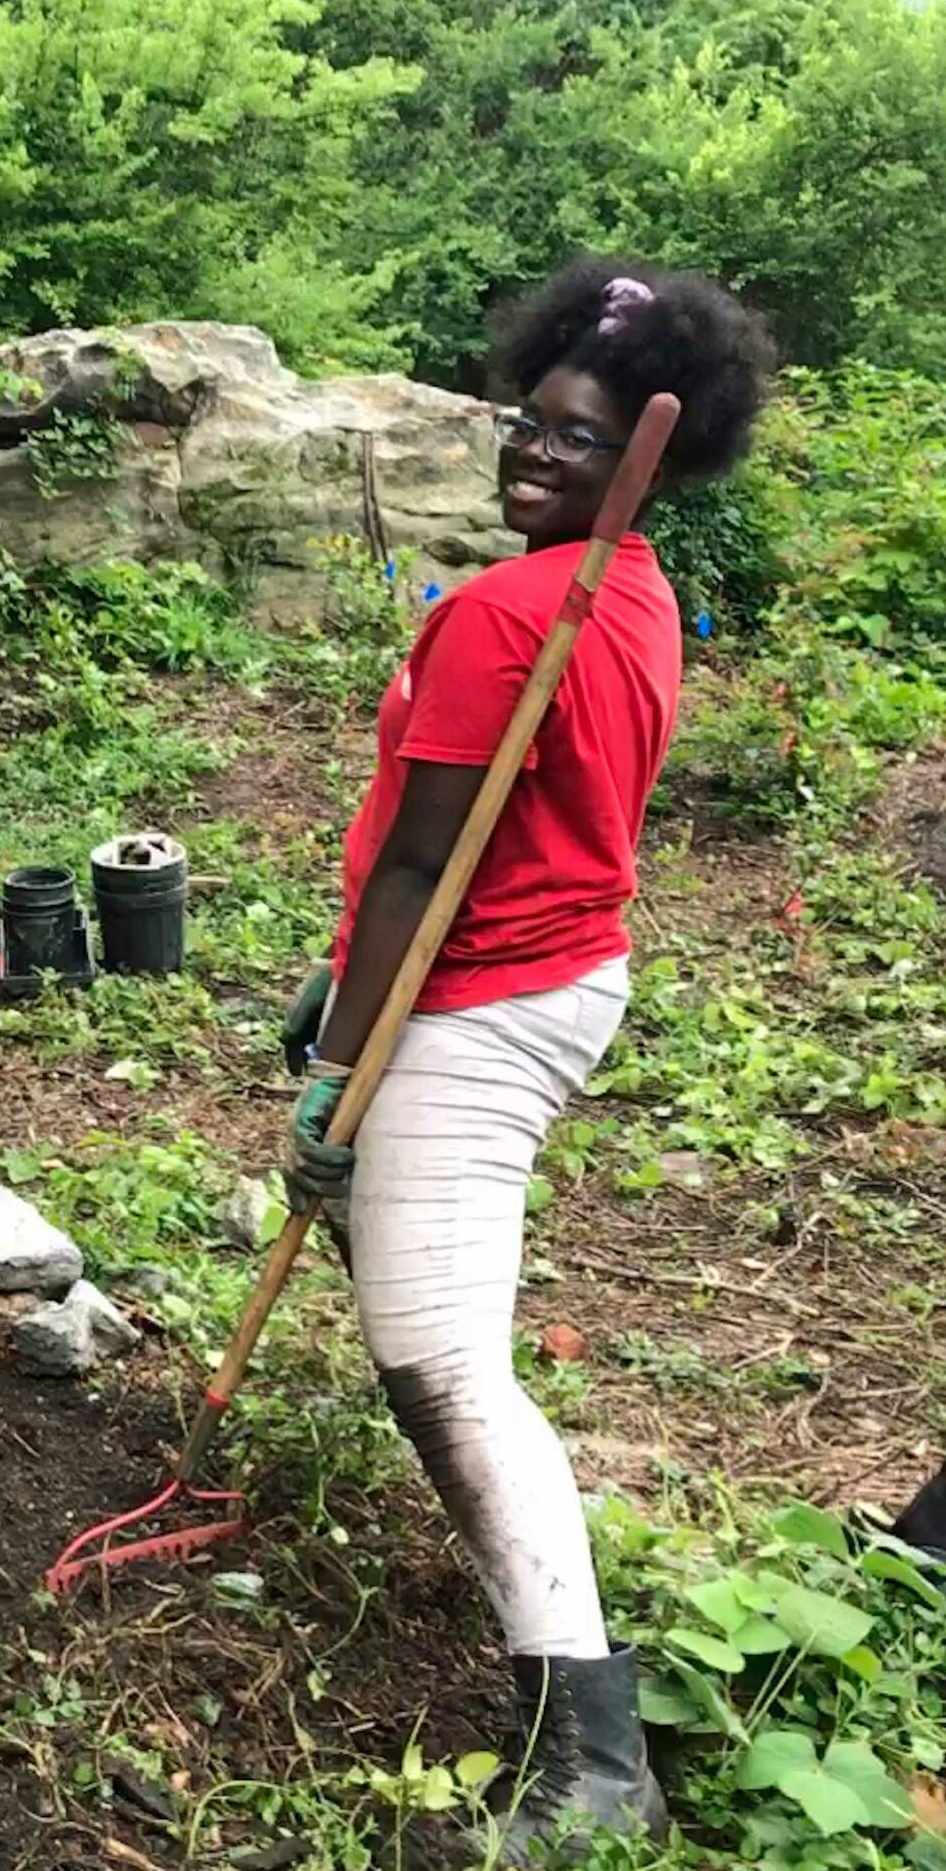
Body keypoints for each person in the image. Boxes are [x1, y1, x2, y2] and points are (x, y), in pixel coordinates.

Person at [281, 261, 775, 1858]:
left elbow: (429, 872)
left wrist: (340, 1078)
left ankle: (593, 1741)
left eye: (576, 439)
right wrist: (337, 975)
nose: (534, 454)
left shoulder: (515, 612)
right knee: (431, 1330)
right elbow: (479, 844)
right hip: (555, 967)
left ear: (649, 456)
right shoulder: (630, 594)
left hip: (485, 1000)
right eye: (529, 420)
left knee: (441, 1366)